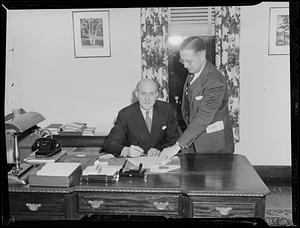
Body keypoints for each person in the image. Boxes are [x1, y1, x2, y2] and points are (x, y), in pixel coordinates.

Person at [158, 36, 235, 164]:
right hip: (194, 141)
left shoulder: (214, 81)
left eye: (189, 61)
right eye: (182, 61)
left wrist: (178, 146)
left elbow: (203, 117)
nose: (185, 66)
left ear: (202, 55)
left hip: (213, 147)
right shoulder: (193, 71)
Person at [104, 78, 180, 157]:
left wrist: (160, 150)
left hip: (161, 160)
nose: (147, 98)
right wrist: (126, 151)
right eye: (143, 93)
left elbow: (175, 139)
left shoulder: (167, 110)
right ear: (137, 94)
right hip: (135, 162)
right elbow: (110, 144)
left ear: (157, 95)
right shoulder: (126, 114)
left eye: (151, 94)